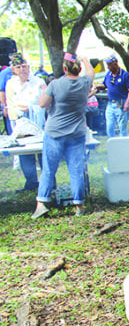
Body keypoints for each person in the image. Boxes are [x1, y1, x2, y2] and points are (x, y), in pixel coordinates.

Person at [31, 53, 95, 219]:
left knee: (49, 169)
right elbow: (91, 73)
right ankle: (79, 205)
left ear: (64, 68)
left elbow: (43, 104)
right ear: (79, 68)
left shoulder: (55, 84)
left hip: (55, 133)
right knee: (76, 170)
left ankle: (42, 204)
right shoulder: (85, 83)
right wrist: (85, 59)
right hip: (77, 133)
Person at [5, 53, 46, 192]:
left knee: (42, 152)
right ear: (14, 70)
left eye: (24, 66)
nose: (21, 69)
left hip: (37, 123)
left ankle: (49, 182)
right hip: (20, 122)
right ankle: (31, 182)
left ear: (28, 67)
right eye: (18, 67)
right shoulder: (11, 83)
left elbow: (45, 101)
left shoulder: (39, 82)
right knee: (24, 153)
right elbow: (10, 102)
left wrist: (33, 109)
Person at [95, 55, 129, 137]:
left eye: (109, 65)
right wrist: (96, 86)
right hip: (110, 104)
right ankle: (112, 143)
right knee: (109, 126)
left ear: (115, 64)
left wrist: (127, 102)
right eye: (107, 65)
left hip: (121, 103)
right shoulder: (108, 74)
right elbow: (104, 85)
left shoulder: (124, 75)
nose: (108, 67)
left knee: (122, 127)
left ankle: (123, 144)